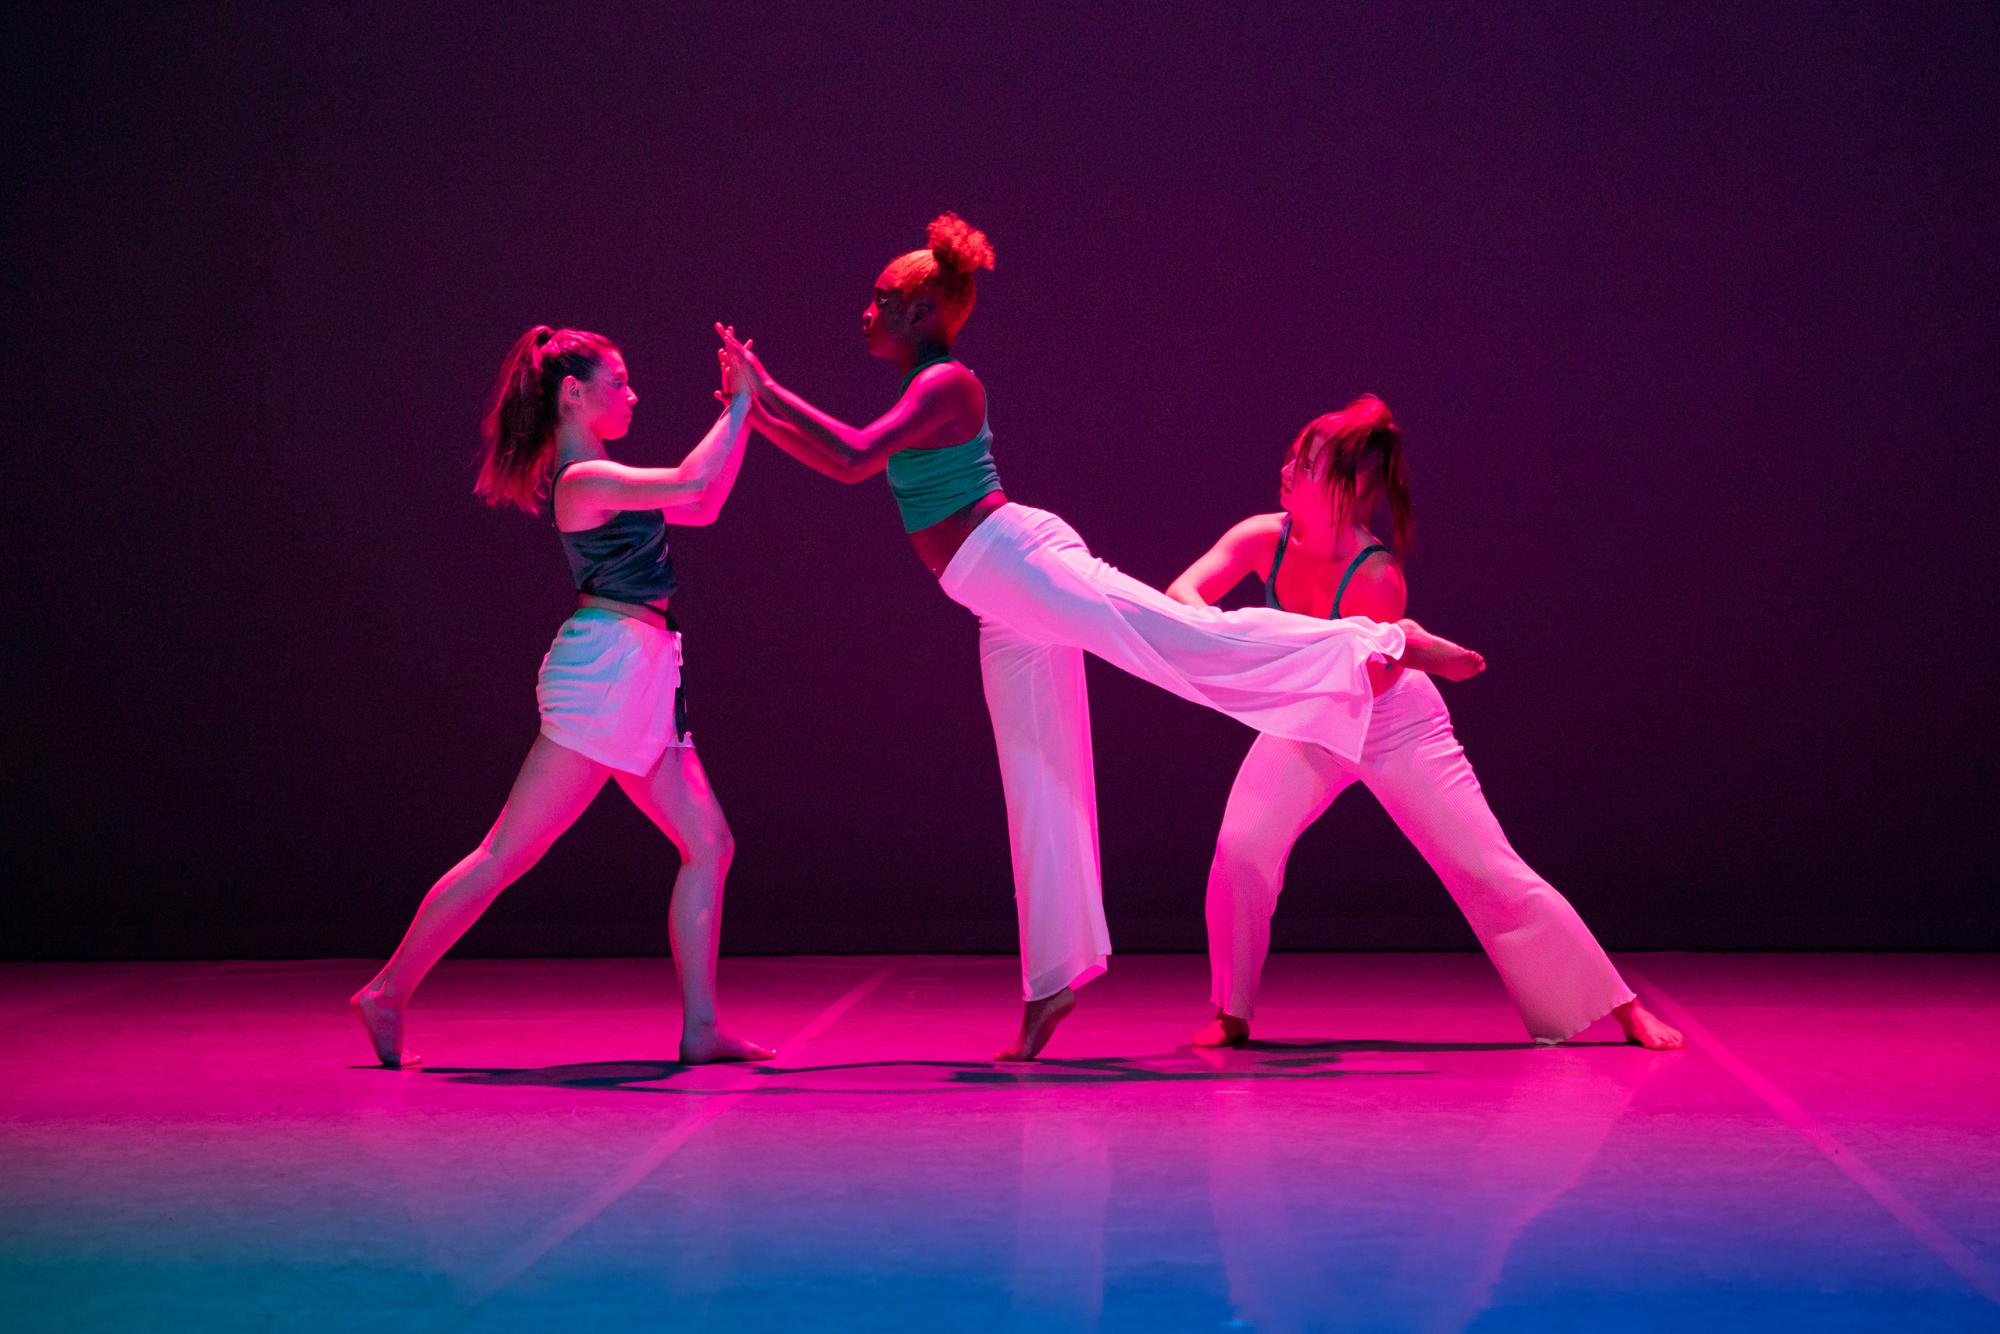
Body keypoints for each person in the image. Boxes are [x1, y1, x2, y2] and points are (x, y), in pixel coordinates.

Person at [716, 215, 1484, 1060]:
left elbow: (857, 456)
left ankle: (1386, 644)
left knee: (1184, 640)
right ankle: (1055, 980)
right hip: (994, 597)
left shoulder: (948, 384)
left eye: (883, 299)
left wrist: (766, 394)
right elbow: (843, 462)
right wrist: (757, 413)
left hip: (1020, 563)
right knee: (1037, 770)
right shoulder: (923, 383)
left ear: (927, 310)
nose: (866, 311)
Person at [1165, 395, 1682, 1049]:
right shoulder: (1259, 538)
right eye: (1293, 454)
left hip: (1393, 722)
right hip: (1306, 719)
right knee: (1241, 851)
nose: (1286, 466)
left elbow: (1366, 681)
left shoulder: (1376, 574)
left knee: (1486, 868)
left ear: (1347, 488)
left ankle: (1620, 1007)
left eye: (1305, 461)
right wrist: (1237, 635)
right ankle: (1231, 1011)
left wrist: (1369, 650)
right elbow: (1183, 599)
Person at [349, 325, 773, 1068]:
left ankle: (701, 1027)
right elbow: (691, 483)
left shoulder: (608, 476)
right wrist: (738, 407)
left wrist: (742, 412)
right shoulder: (583, 482)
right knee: (505, 854)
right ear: (573, 395)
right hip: (607, 674)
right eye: (619, 381)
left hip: (640, 674)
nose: (633, 394)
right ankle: (387, 991)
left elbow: (702, 506)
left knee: (708, 844)